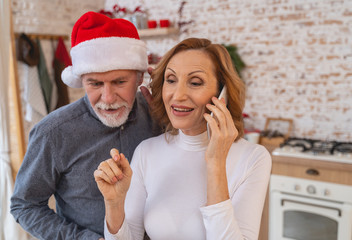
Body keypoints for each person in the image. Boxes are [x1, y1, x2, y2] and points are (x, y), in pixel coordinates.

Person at [94, 38, 272, 240]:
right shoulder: (147, 151)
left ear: (223, 95)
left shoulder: (253, 158)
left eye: (195, 83)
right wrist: (114, 204)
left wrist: (216, 163)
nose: (177, 95)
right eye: (171, 80)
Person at [10, 11, 159, 240]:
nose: (107, 98)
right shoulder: (53, 133)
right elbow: (24, 205)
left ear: (140, 77)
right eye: (95, 83)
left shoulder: (159, 116)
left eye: (120, 82)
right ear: (81, 80)